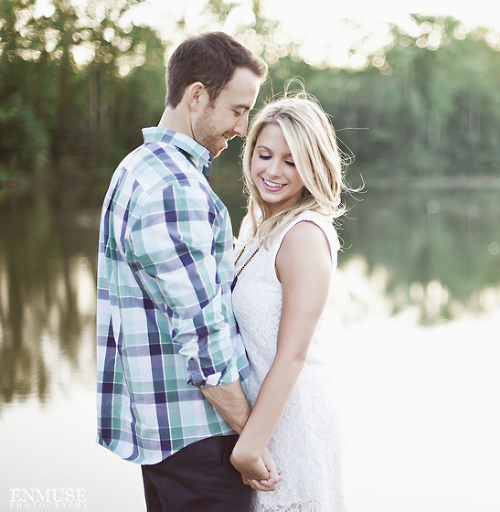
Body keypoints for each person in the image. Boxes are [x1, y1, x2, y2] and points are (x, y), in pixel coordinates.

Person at [96, 32, 280, 512]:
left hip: (164, 438)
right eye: (238, 110)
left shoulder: (135, 168)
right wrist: (252, 438)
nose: (242, 127)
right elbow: (204, 338)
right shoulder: (175, 188)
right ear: (197, 96)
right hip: (203, 441)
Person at [229, 93, 350, 511]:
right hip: (262, 420)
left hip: (294, 422)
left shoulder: (303, 234)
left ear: (313, 166)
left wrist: (250, 445)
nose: (272, 170)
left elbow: (293, 353)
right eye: (264, 154)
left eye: (291, 161)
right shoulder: (260, 225)